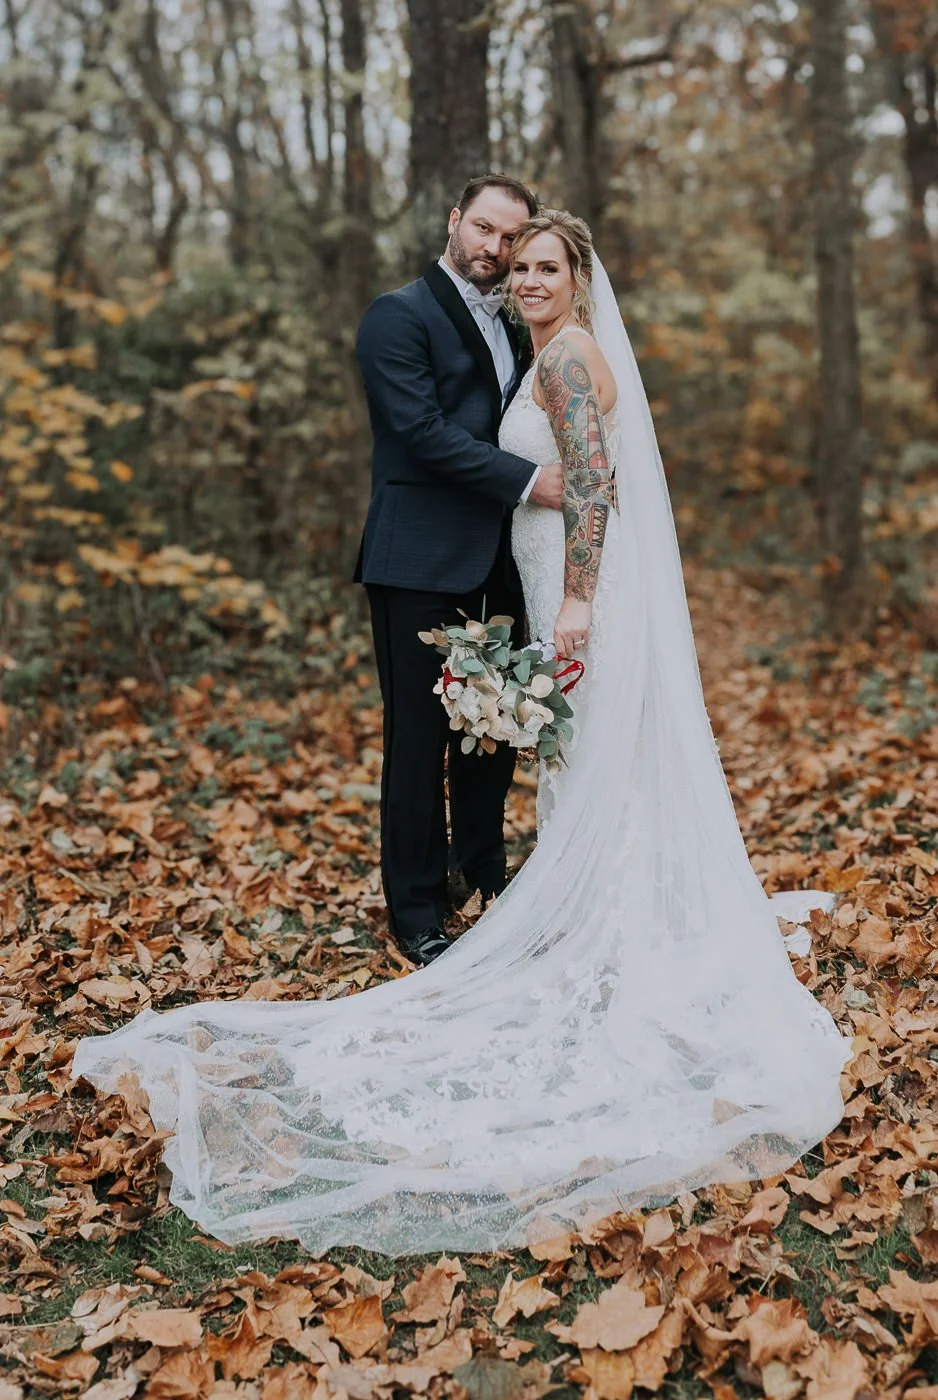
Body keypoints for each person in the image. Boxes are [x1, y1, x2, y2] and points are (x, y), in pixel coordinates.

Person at [69, 208, 852, 1261]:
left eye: (542, 264)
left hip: (576, 595)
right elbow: (458, 442)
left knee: (589, 764)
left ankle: (605, 928)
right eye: (513, 259)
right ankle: (557, 910)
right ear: (470, 239)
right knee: (565, 762)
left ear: (578, 278)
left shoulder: (568, 360)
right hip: (512, 573)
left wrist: (575, 603)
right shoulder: (481, 334)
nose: (523, 275)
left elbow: (597, 486)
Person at [354, 174, 563, 967]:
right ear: (454, 223)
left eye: (511, 238)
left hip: (498, 560)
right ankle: (416, 908)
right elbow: (419, 430)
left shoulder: (519, 322)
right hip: (417, 559)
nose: (495, 249)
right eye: (483, 229)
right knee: (419, 738)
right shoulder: (398, 316)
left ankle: (482, 873)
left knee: (495, 730)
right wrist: (526, 482)